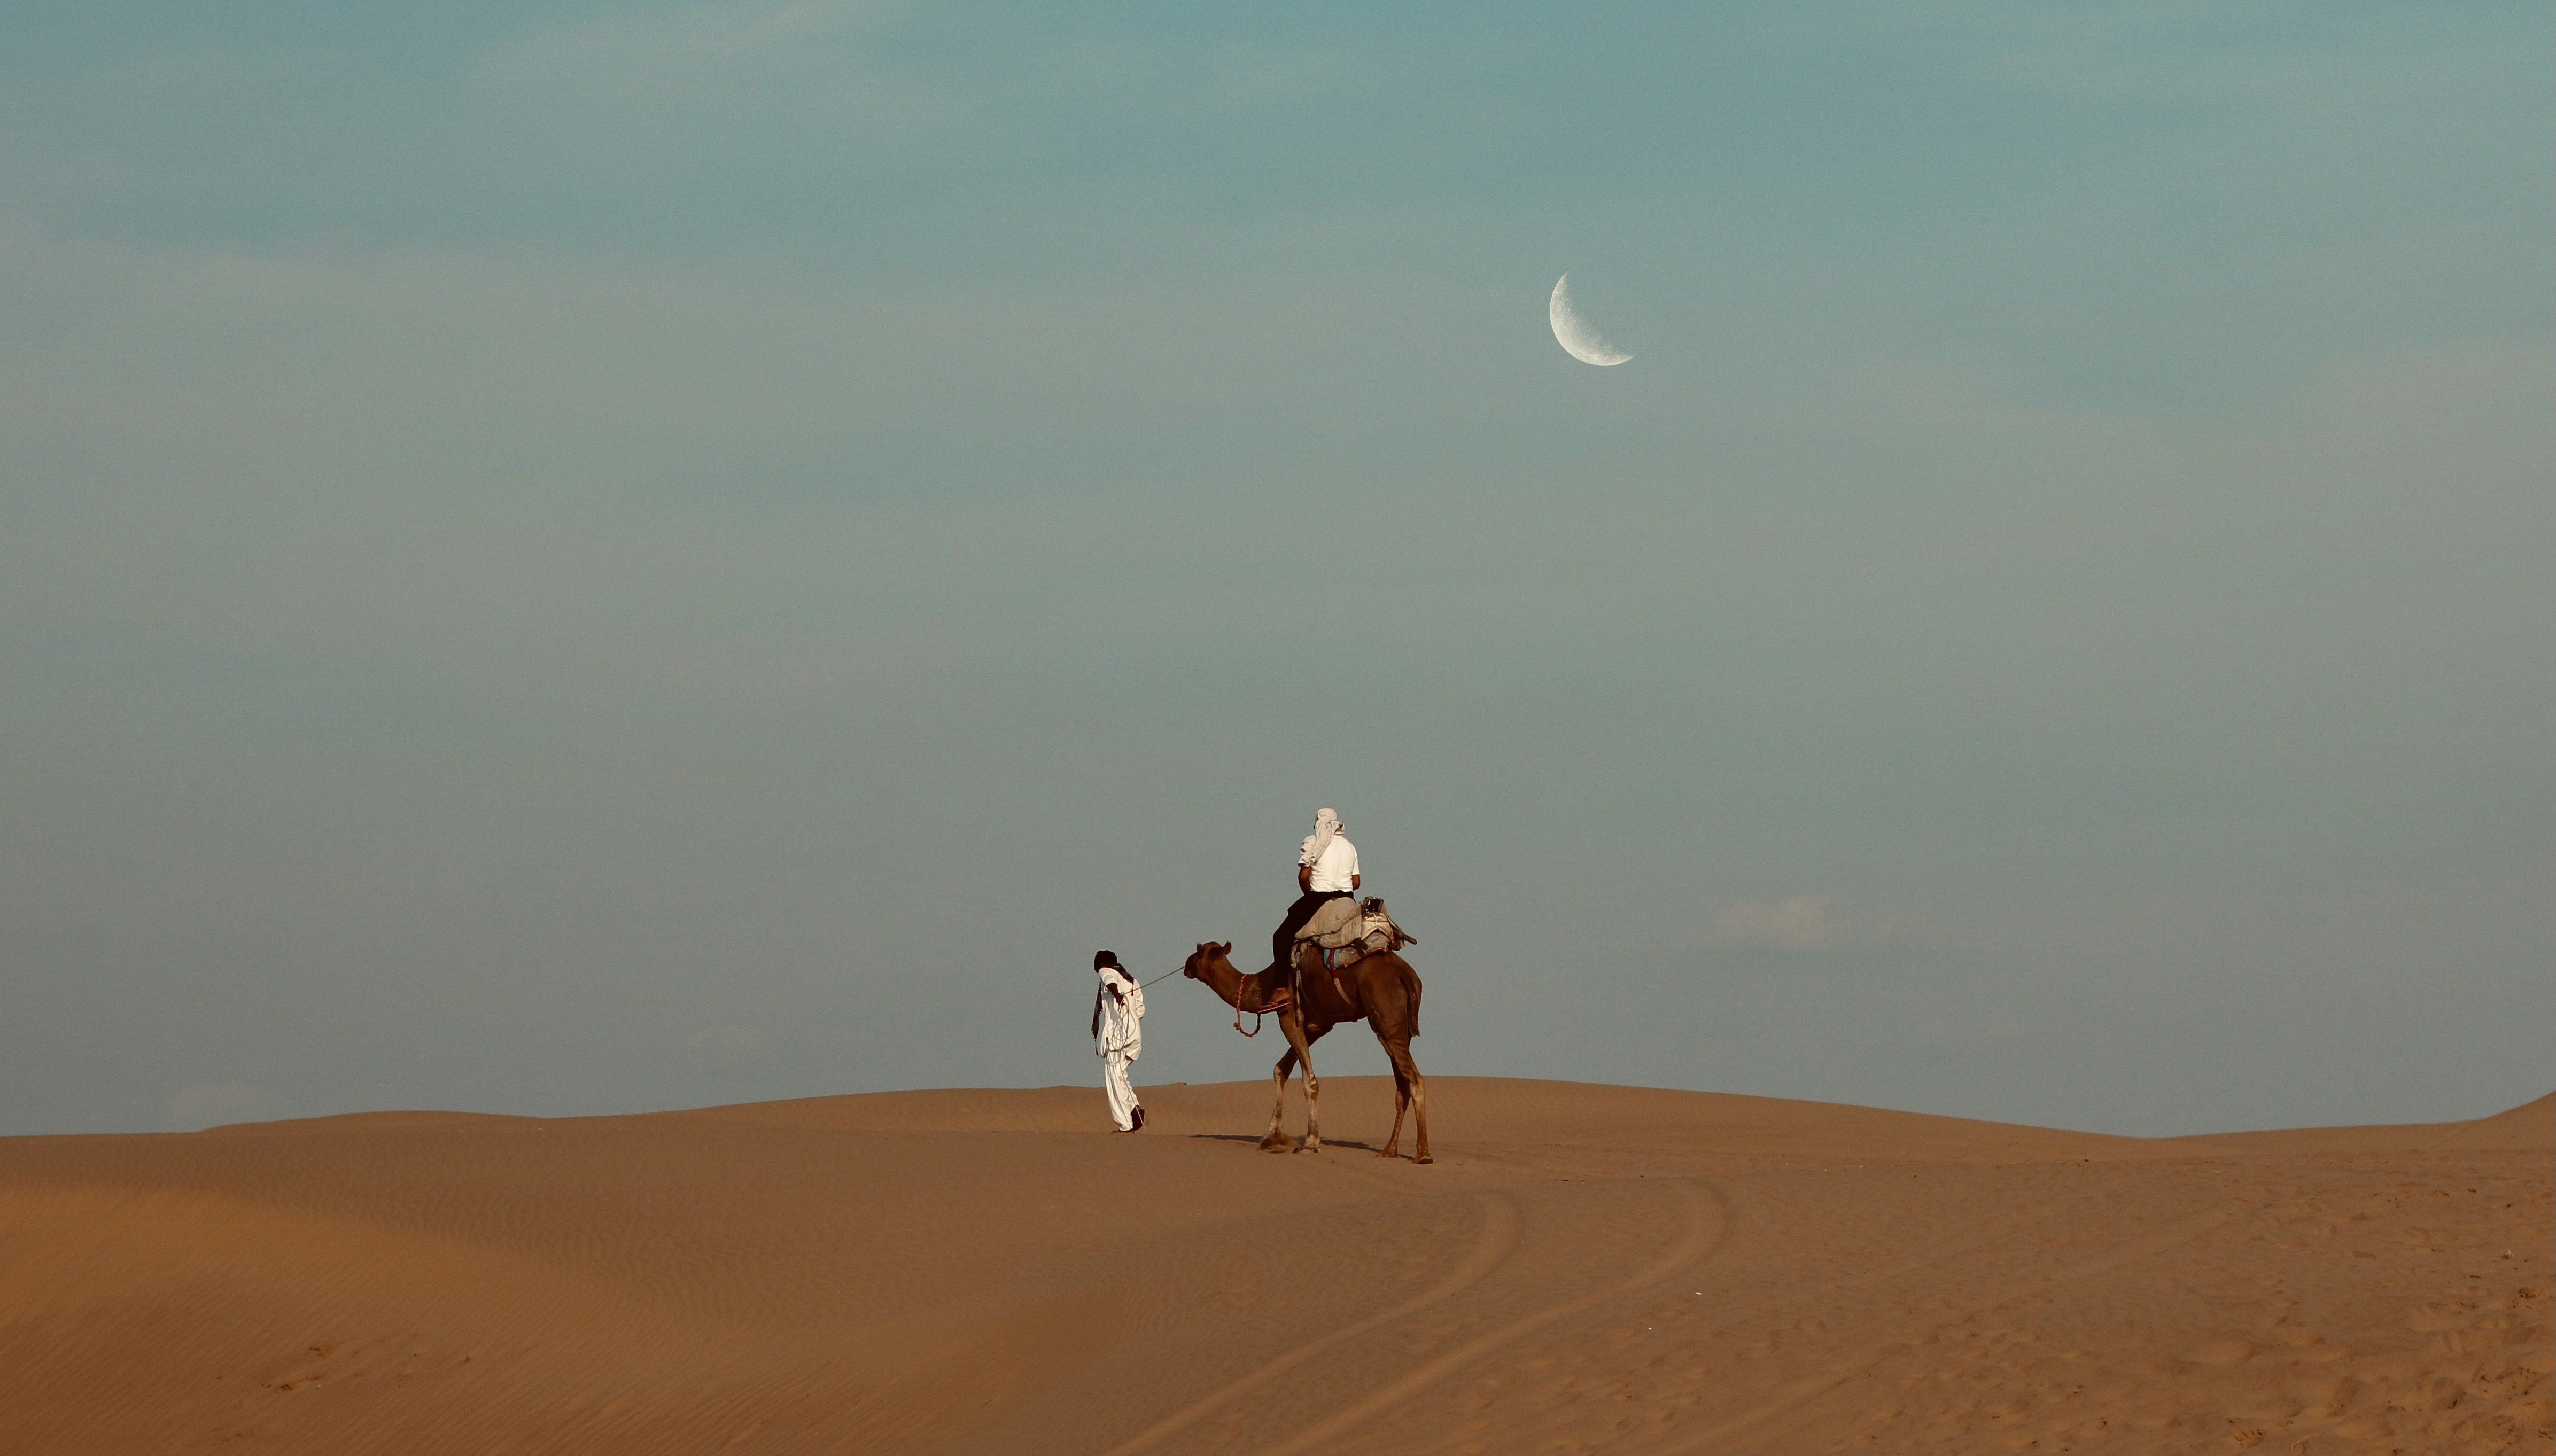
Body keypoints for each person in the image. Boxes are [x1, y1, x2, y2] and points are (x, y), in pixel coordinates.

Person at [1270, 807, 1361, 975]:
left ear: (1317, 825)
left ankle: (1281, 989)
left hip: (1319, 898)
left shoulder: (1314, 841)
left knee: (1281, 937)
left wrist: (1309, 893)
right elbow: (1356, 883)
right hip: (1348, 898)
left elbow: (1304, 877)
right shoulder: (1349, 846)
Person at [1090, 950, 1146, 1132]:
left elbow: (1109, 981)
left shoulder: (1106, 972)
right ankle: (1133, 1109)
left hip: (1117, 1034)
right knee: (1121, 1074)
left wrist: (1116, 995)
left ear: (1102, 963)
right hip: (1134, 1032)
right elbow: (1141, 1011)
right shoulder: (1132, 981)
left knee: (1114, 1078)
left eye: (1096, 963)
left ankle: (1126, 1124)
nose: (1095, 967)